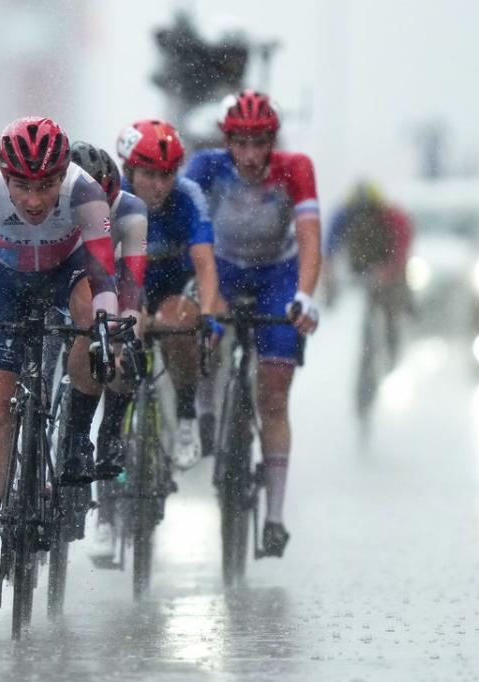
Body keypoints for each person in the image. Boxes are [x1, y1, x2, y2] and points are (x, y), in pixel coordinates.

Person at [0, 117, 119, 602]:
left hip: (66, 275)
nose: (36, 201)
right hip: (0, 281)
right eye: (22, 186)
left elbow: (104, 279)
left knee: (92, 318)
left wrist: (104, 330)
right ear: (4, 175)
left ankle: (77, 437)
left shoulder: (88, 196)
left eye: (46, 186)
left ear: (64, 176)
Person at [185, 90, 321, 557]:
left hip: (276, 275)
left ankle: (276, 518)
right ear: (226, 142)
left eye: (259, 143)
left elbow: (308, 240)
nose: (248, 155)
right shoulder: (206, 167)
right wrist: (208, 298)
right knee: (204, 333)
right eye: (239, 144)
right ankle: (205, 412)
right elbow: (190, 229)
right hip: (220, 266)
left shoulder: (295, 168)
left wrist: (304, 295)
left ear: (272, 142)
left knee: (275, 393)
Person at [103, 118, 222, 472]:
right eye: (149, 175)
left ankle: (187, 417)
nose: (159, 185)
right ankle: (111, 432)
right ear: (129, 169)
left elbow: (204, 263)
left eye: (167, 175)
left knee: (179, 322)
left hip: (172, 287)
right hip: (128, 285)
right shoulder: (113, 198)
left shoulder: (188, 197)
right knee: (123, 340)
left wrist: (210, 316)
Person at [68, 141, 149, 556]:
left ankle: (111, 431)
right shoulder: (53, 201)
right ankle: (67, 439)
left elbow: (131, 282)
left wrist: (124, 330)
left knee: (124, 340)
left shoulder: (131, 209)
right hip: (65, 285)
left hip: (110, 286)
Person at [323, 181, 414, 362]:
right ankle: (364, 350)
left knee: (393, 304)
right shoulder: (342, 215)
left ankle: (392, 345)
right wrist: (329, 274)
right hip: (359, 267)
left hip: (387, 263)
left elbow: (403, 247)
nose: (364, 218)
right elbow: (329, 248)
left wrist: (390, 270)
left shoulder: (393, 217)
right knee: (352, 303)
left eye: (369, 212)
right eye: (358, 213)